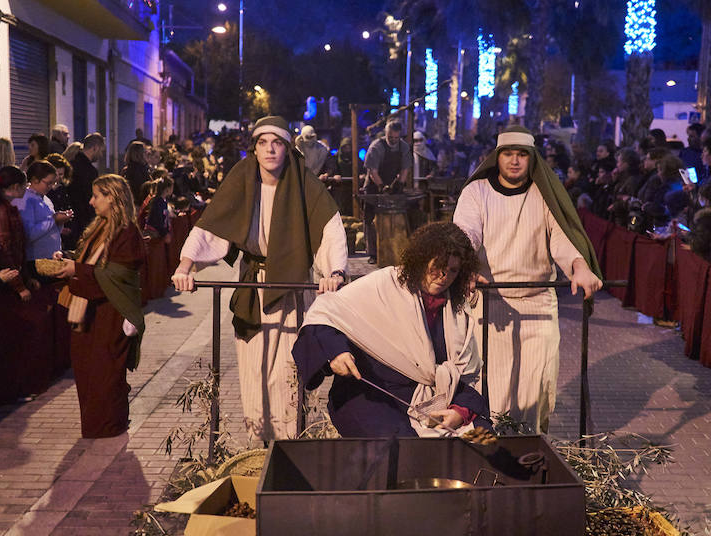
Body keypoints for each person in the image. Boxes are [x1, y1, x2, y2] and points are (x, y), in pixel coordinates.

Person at [171, 116, 348, 444]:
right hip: (253, 287)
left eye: (277, 142)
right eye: (263, 142)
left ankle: (290, 445)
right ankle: (259, 446)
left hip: (292, 287)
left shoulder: (303, 182)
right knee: (254, 370)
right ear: (254, 147)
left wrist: (335, 272)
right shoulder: (243, 178)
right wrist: (186, 266)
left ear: (286, 146)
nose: (270, 149)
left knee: (287, 371)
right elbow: (212, 224)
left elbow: (329, 228)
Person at [453, 125, 602, 434]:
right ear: (497, 156)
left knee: (537, 387)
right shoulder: (476, 192)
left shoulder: (542, 194)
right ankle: (492, 453)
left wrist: (578, 265)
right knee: (492, 387)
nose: (515, 161)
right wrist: (465, 264)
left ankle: (528, 451)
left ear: (531, 158)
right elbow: (466, 232)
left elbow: (562, 239)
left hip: (538, 304)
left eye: (522, 154)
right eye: (508, 154)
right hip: (491, 304)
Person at [293, 222, 492, 437]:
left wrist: (459, 412)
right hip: (369, 395)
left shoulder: (455, 312)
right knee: (399, 442)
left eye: (453, 270)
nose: (443, 276)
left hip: (428, 398)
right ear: (421, 259)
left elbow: (465, 375)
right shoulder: (384, 285)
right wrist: (336, 352)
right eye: (438, 266)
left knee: (482, 437)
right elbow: (325, 314)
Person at [54, 174, 145, 438]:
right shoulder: (100, 225)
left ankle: (108, 427)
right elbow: (95, 263)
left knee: (105, 374)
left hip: (109, 314)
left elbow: (120, 273)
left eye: (96, 196)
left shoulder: (127, 232)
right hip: (89, 314)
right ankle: (96, 425)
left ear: (112, 198)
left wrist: (77, 269)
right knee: (87, 371)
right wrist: (70, 259)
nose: (91, 201)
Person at [0, 166, 34, 301]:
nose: (26, 189)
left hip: (8, 275)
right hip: (7, 279)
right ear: (16, 187)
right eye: (25, 185)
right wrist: (19, 286)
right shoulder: (2, 211)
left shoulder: (2, 206)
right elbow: (5, 249)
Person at [363, 120, 412, 264]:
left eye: (396, 138)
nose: (394, 140)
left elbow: (405, 169)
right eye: (391, 137)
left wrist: (400, 185)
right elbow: (372, 171)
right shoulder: (376, 147)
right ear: (386, 134)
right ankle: (373, 253)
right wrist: (381, 187)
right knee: (371, 219)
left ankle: (395, 249)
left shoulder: (403, 147)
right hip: (374, 185)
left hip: (392, 183)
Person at [14, 161, 70, 269]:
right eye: (48, 183)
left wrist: (60, 222)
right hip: (36, 259)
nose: (51, 187)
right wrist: (53, 219)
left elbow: (51, 229)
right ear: (35, 180)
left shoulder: (46, 199)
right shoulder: (25, 199)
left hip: (51, 257)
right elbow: (28, 234)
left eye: (53, 183)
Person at [69, 133, 105, 245]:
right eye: (101, 151)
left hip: (70, 218)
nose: (101, 155)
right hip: (83, 220)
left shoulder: (71, 164)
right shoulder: (90, 171)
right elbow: (89, 196)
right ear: (95, 147)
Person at [122, 140, 151, 209]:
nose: (147, 154)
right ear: (139, 154)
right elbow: (140, 189)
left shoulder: (129, 168)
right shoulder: (137, 170)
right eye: (145, 152)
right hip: (139, 205)